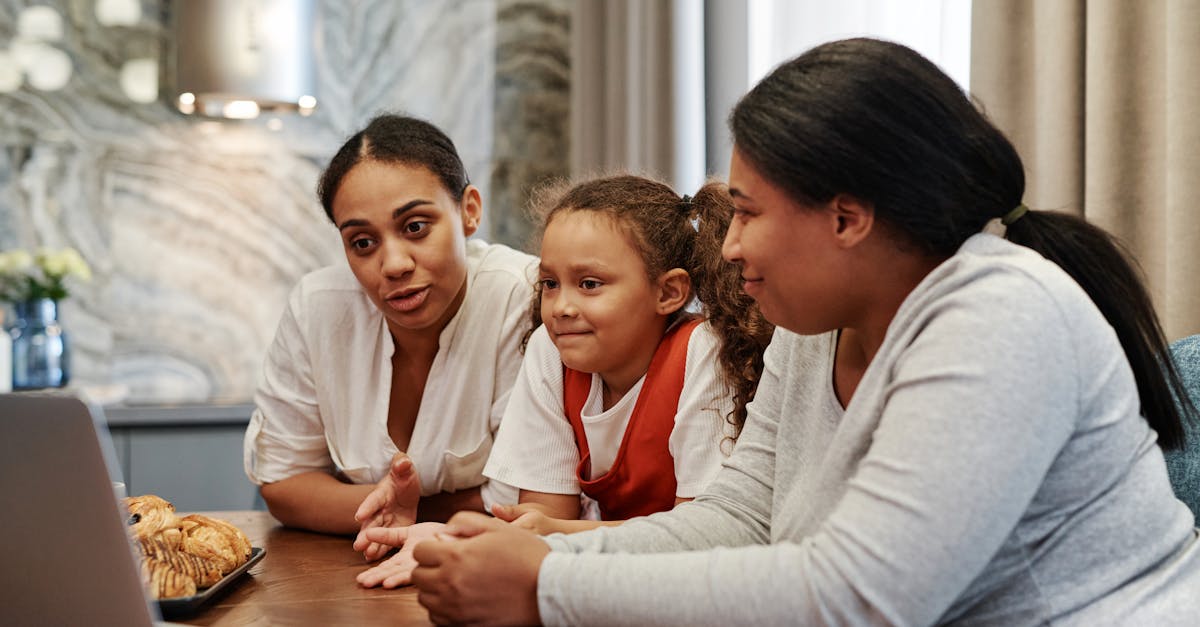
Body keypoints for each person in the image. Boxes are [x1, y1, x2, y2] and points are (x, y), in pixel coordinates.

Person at [393, 38, 1200, 625]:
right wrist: (542, 556)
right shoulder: (816, 324)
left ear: (846, 217)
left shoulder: (1000, 318)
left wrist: (544, 589)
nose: (730, 243)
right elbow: (742, 519)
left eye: (746, 213)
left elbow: (857, 597)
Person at [355, 175, 773, 588]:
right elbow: (541, 517)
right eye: (551, 284)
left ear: (669, 292)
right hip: (607, 581)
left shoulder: (702, 351)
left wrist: (552, 536)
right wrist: (459, 539)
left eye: (590, 284)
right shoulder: (550, 351)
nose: (561, 307)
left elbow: (700, 540)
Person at [242, 114, 536, 561]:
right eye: (363, 242)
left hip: (487, 568)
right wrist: (400, 511)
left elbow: (524, 499)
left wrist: (402, 510)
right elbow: (284, 484)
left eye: (415, 227)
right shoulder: (318, 307)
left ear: (469, 210)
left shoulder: (522, 294)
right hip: (349, 572)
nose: (394, 264)